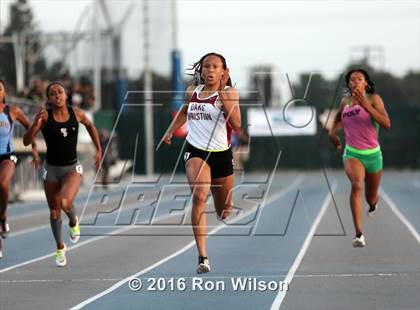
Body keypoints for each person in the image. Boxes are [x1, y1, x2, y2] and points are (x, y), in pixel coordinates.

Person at [162, 52, 244, 273]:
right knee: (199, 194)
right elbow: (185, 111)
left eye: (215, 67)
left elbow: (237, 125)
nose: (210, 70)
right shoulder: (193, 92)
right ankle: (203, 257)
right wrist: (170, 132)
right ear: (201, 70)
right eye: (206, 66)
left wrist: (221, 95)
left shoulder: (230, 93)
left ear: (223, 72)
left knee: (223, 211)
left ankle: (223, 208)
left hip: (222, 154)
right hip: (195, 151)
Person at [23, 81, 101, 266]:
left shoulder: (77, 113)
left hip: (71, 168)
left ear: (66, 96)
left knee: (66, 202)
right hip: (51, 170)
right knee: (55, 212)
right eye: (52, 94)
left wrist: (98, 149)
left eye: (60, 92)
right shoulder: (44, 117)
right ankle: (60, 247)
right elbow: (27, 141)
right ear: (48, 99)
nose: (57, 95)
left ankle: (74, 221)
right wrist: (35, 122)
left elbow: (90, 126)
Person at [329, 69, 391, 247]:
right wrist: (333, 133)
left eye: (359, 78)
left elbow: (386, 124)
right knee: (357, 184)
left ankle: (373, 203)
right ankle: (359, 234)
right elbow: (338, 118)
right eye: (352, 79)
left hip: (373, 155)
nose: (355, 81)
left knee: (371, 197)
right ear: (348, 84)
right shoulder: (345, 102)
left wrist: (366, 105)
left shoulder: (374, 99)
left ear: (366, 83)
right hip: (352, 153)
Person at [0, 79, 40, 259]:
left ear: (3, 93)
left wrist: (34, 148)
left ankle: (2, 218)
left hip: (7, 157)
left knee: (2, 184)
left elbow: (29, 128)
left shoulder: (13, 111)